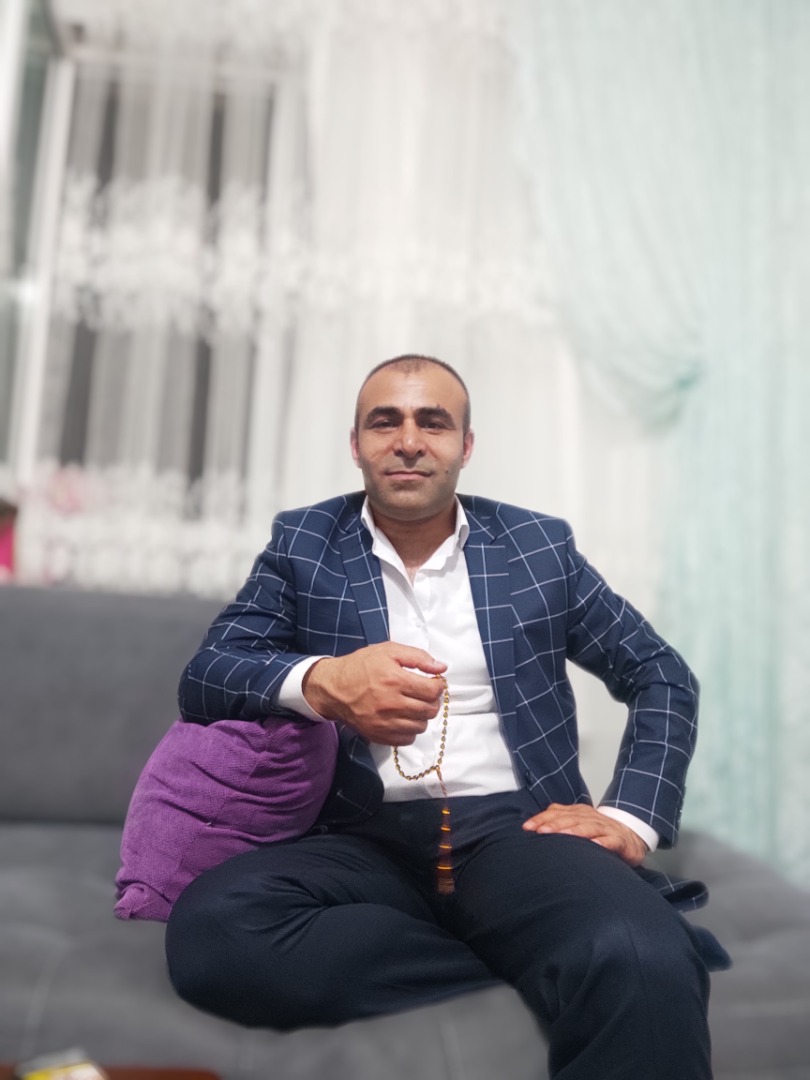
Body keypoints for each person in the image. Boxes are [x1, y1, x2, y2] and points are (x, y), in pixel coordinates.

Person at [166, 354, 727, 1079]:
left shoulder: (538, 548)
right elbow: (207, 675)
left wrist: (632, 817)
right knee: (215, 933)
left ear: (466, 445)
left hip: (518, 829)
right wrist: (326, 681)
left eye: (432, 422)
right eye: (385, 422)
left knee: (641, 953)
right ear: (356, 445)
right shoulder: (305, 544)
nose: (408, 441)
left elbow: (660, 674)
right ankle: (539, 956)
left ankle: (577, 950)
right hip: (360, 834)